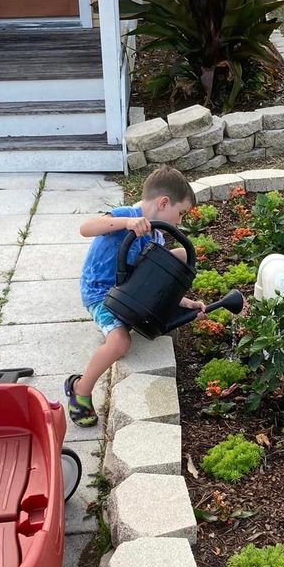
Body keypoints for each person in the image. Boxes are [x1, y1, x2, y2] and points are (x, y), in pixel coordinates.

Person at [63, 165, 204, 427]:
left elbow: (153, 280)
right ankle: (80, 389)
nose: (180, 221)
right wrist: (127, 223)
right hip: (102, 295)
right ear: (164, 202)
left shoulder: (158, 237)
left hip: (130, 294)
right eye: (180, 213)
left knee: (181, 257)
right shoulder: (126, 216)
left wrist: (183, 302)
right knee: (120, 343)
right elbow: (86, 227)